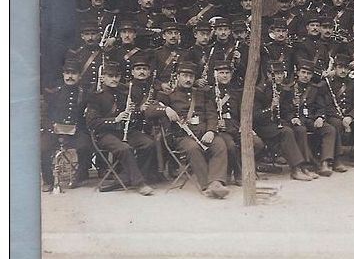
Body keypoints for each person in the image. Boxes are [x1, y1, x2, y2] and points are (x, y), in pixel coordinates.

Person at [148, 62, 231, 199]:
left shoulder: (201, 94)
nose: (188, 80)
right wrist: (166, 109)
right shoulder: (168, 96)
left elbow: (211, 114)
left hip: (204, 133)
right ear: (178, 77)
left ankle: (216, 182)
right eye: (185, 76)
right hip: (181, 137)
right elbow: (149, 111)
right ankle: (207, 186)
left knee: (220, 144)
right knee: (193, 148)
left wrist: (210, 131)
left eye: (191, 77)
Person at [84, 61, 155, 195]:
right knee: (125, 148)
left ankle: (127, 177)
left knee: (149, 143)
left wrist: (133, 112)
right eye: (110, 76)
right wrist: (115, 120)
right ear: (103, 77)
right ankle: (140, 183)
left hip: (125, 131)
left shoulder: (124, 93)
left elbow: (133, 116)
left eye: (117, 76)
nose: (114, 79)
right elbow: (92, 123)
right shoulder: (95, 96)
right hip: (104, 135)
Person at [253, 61, 311, 180]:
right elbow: (255, 116)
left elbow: (285, 111)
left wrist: (292, 118)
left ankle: (304, 166)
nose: (279, 77)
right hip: (263, 126)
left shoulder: (283, 89)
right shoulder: (259, 91)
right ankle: (295, 168)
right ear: (268, 74)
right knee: (286, 132)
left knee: (300, 129)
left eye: (281, 74)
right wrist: (271, 108)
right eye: (275, 74)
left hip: (277, 123)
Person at [41, 59, 93, 191]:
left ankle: (79, 176)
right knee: (43, 147)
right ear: (63, 75)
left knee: (86, 145)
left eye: (74, 73)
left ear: (79, 76)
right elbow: (45, 113)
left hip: (76, 132)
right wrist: (51, 126)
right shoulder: (54, 92)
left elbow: (88, 115)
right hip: (55, 130)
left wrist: (81, 128)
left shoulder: (84, 94)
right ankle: (48, 180)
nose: (70, 76)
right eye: (67, 73)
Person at [210, 62, 264, 185]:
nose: (224, 76)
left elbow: (243, 112)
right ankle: (238, 173)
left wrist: (246, 127)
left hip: (236, 126)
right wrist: (215, 125)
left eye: (227, 73)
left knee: (257, 143)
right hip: (221, 129)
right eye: (221, 73)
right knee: (230, 146)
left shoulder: (236, 92)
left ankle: (237, 169)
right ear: (215, 75)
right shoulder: (210, 92)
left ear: (231, 74)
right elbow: (208, 112)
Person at [287, 61, 339, 177]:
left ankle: (325, 162)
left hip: (311, 119)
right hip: (297, 120)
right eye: (303, 72)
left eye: (309, 74)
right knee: (300, 130)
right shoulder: (289, 89)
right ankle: (306, 164)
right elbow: (285, 110)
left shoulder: (315, 89)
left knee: (329, 129)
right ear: (298, 73)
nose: (305, 76)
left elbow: (320, 107)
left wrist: (320, 117)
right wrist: (292, 118)